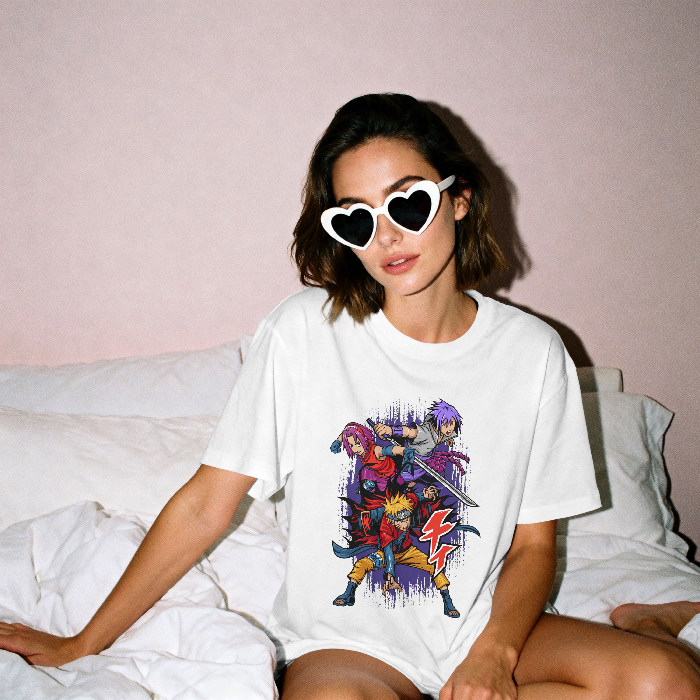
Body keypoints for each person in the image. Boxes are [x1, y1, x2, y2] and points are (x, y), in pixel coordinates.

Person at [1, 93, 700, 700]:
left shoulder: (533, 351)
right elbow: (205, 504)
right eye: (357, 219)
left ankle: (648, 624)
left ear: (459, 198)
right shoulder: (307, 332)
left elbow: (534, 546)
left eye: (408, 202)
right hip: (348, 643)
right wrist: (83, 642)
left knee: (668, 683)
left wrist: (493, 653)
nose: (387, 236)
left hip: (480, 625)